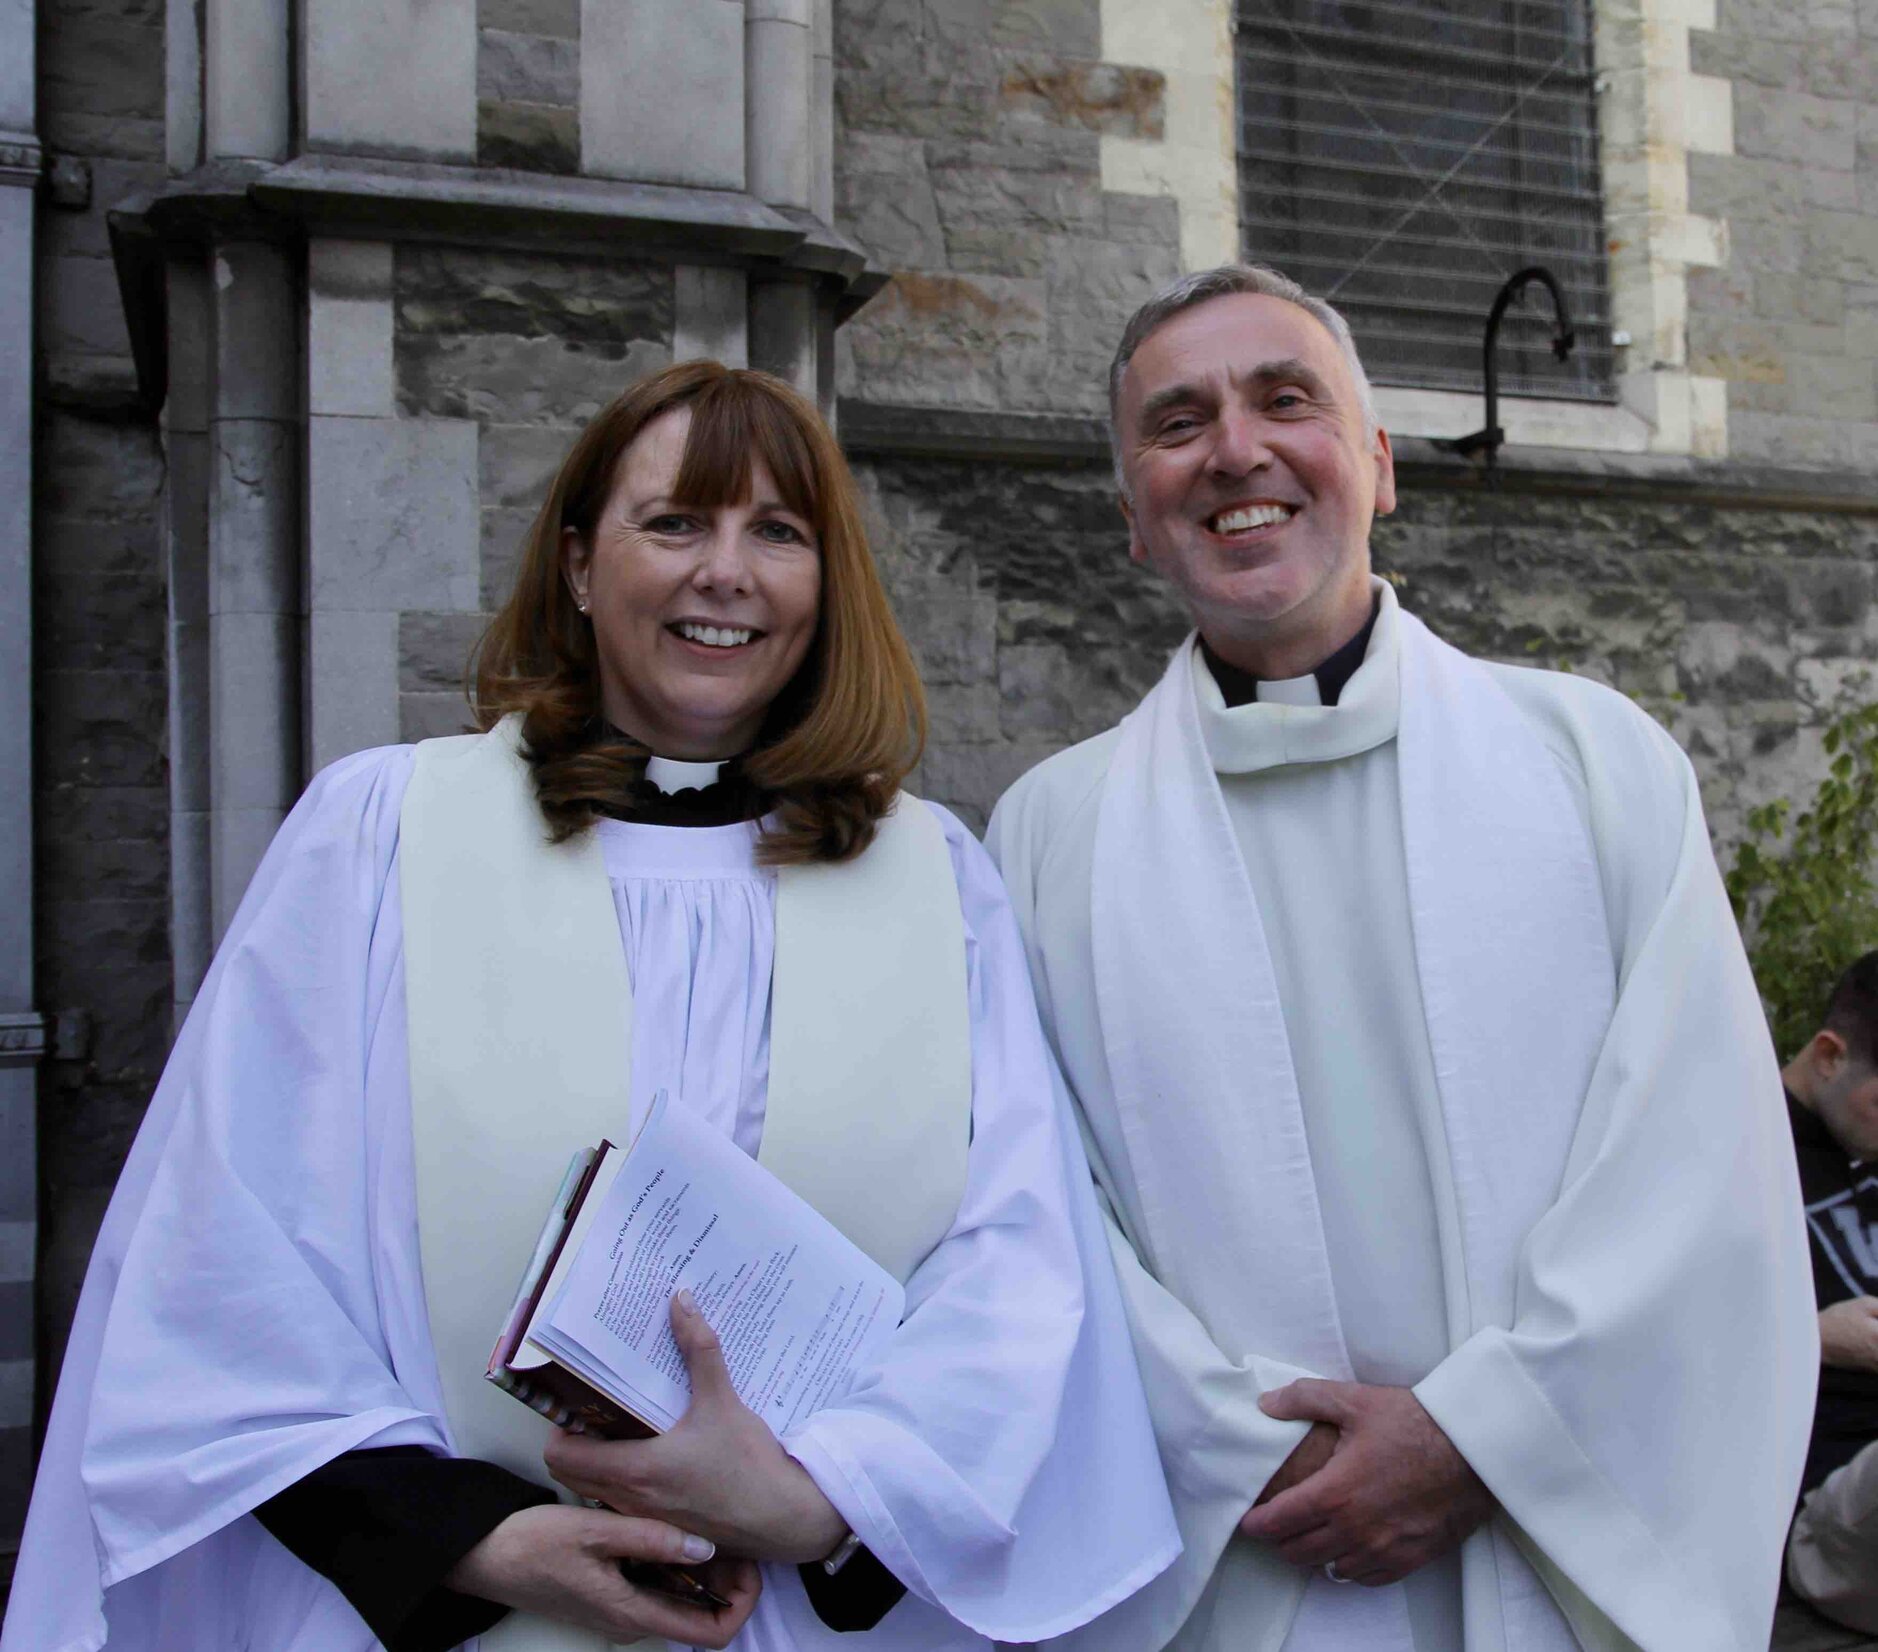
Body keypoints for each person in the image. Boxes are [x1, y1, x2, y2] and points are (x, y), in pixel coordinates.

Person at [4, 361, 1178, 1652]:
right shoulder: (383, 835)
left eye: (775, 533)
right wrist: (477, 1541)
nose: (723, 572)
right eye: (673, 522)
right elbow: (228, 1244)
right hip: (475, 1607)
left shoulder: (931, 875)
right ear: (576, 563)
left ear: (825, 585)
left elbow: (1016, 1257)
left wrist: (823, 1495)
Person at [984, 263, 1818, 1652]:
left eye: (1285, 399)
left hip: (1539, 1564)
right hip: (1237, 1564)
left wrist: (1484, 1440)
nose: (1235, 450)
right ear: (1131, 516)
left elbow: (1701, 1171)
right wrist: (1248, 1450)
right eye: (1177, 424)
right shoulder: (1043, 839)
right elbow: (1035, 1219)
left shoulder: (1594, 765)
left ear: (1376, 466)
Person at [1776, 951, 1878, 1648]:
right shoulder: (1740, 1148)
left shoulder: (1863, 1148)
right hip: (1825, 1519)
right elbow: (1651, 1353)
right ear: (1829, 1057)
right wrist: (1811, 1336)